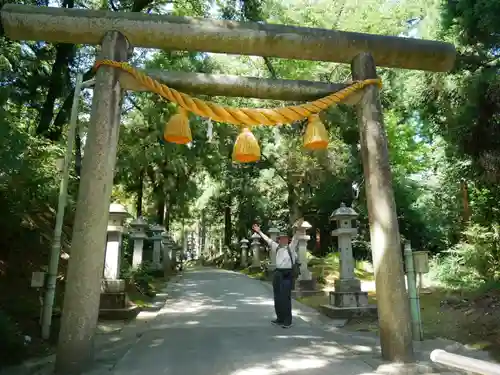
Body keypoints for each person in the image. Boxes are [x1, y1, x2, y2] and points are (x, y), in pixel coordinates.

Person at [252, 224, 298, 328]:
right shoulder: (276, 247)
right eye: (281, 238)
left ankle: (287, 320)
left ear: (288, 240)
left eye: (285, 238)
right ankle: (280, 318)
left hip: (287, 273)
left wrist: (298, 229)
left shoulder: (291, 248)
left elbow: (296, 238)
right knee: (277, 297)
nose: (283, 240)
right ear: (279, 240)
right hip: (278, 273)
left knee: (286, 298)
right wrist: (259, 231)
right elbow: (267, 239)